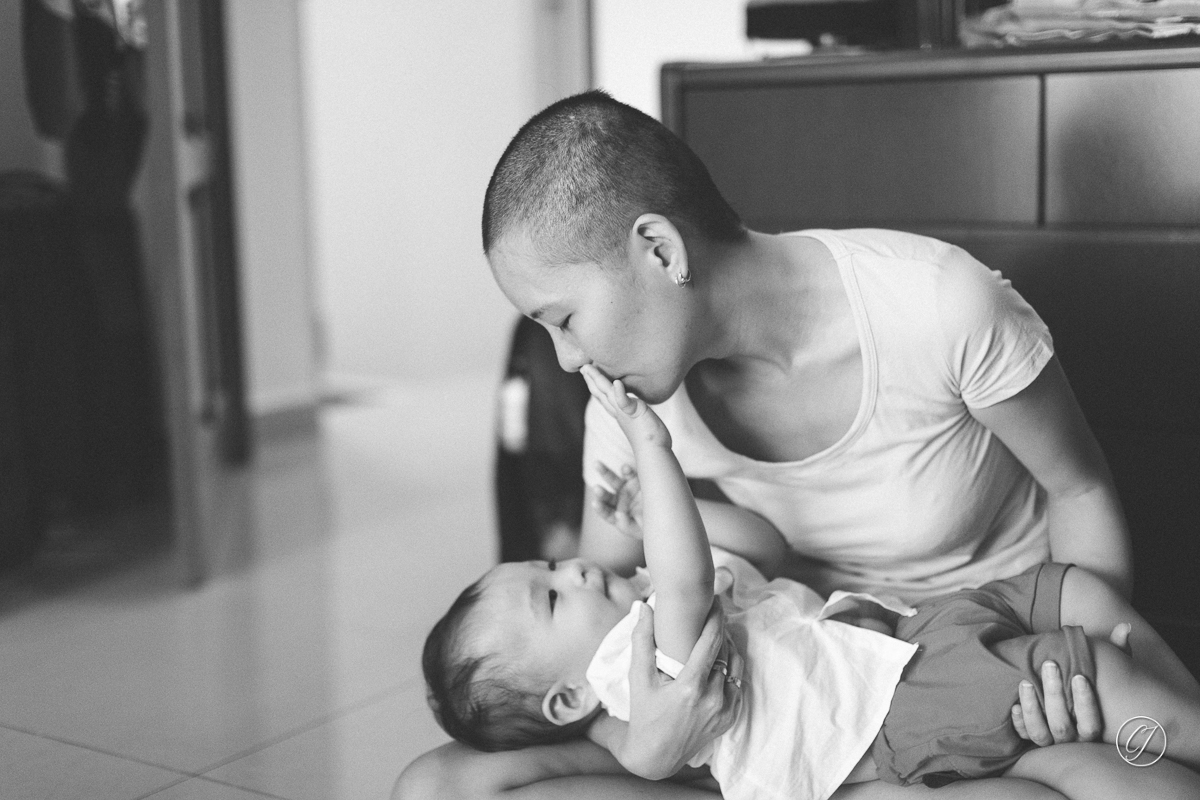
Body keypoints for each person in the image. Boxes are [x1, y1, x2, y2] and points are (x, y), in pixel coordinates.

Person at [396, 89, 1143, 800]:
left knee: (1137, 774)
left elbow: (1079, 490)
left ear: (658, 249)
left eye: (563, 319)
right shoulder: (626, 408)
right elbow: (611, 594)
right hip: (772, 708)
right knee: (434, 786)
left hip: (965, 663)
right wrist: (643, 744)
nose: (565, 360)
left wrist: (1069, 676)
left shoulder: (938, 307)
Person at [420, 364, 1200, 799]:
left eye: (552, 562)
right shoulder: (633, 673)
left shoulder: (655, 594)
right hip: (890, 708)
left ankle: (1175, 730)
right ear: (568, 698)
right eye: (554, 594)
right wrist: (651, 448)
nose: (579, 565)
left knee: (1078, 592)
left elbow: (764, 545)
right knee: (1096, 673)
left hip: (900, 635)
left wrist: (668, 512)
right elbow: (692, 580)